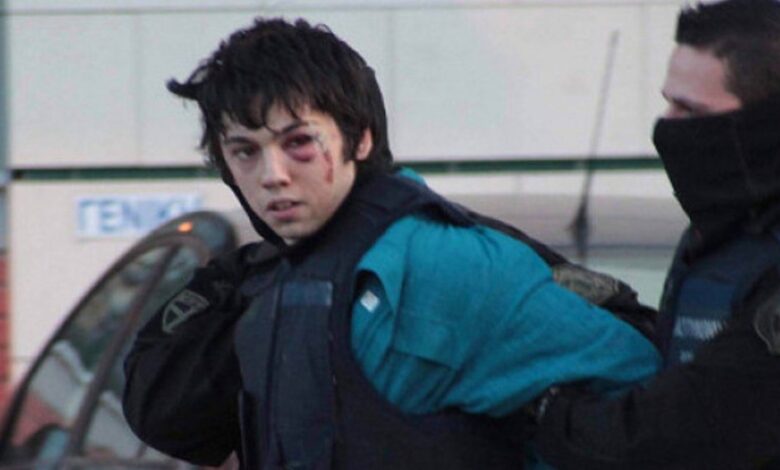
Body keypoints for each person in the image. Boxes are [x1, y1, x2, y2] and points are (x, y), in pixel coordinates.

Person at [121, 17, 660, 469]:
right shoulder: (281, 274)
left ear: (360, 139)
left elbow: (647, 403)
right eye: (245, 151)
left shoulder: (438, 262)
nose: (272, 175)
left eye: (299, 143)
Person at [534, 0, 780, 467]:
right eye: (668, 101)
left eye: (690, 109)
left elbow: (688, 426)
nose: (667, 126)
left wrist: (545, 412)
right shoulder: (718, 237)